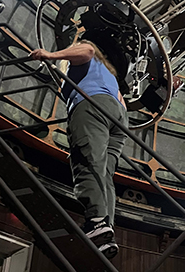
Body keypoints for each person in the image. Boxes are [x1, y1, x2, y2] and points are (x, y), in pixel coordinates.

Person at [30, 40, 128, 260]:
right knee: (104, 175)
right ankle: (105, 230)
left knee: (87, 162)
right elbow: (123, 104)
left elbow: (88, 49)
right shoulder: (108, 75)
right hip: (119, 120)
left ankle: (96, 221)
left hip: (91, 105)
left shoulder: (86, 58)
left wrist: (51, 54)